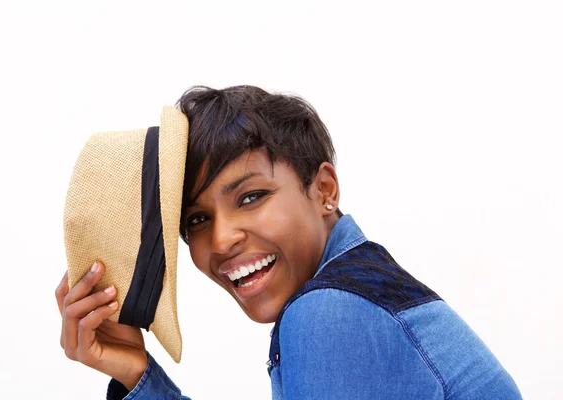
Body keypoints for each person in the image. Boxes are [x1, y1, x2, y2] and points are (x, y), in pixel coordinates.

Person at [56, 85, 522, 399]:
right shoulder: (360, 291)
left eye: (251, 196)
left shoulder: (329, 312)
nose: (220, 239)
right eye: (197, 219)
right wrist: (136, 372)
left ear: (324, 190)